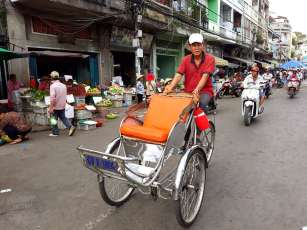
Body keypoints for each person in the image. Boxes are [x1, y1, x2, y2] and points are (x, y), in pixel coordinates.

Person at [164, 33, 215, 114]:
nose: (196, 48)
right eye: (194, 45)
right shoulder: (185, 59)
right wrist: (170, 87)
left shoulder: (210, 59)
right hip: (188, 91)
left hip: (204, 91)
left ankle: (202, 126)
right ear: (190, 47)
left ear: (203, 45)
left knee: (200, 106)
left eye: (199, 45)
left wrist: (197, 90)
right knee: (180, 110)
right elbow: (179, 74)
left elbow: (205, 76)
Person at [48, 71, 76, 137]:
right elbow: (64, 96)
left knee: (53, 119)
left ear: (51, 78)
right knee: (63, 117)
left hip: (55, 106)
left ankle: (55, 132)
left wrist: (51, 107)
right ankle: (70, 127)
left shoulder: (53, 86)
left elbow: (52, 98)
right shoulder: (63, 85)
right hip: (62, 105)